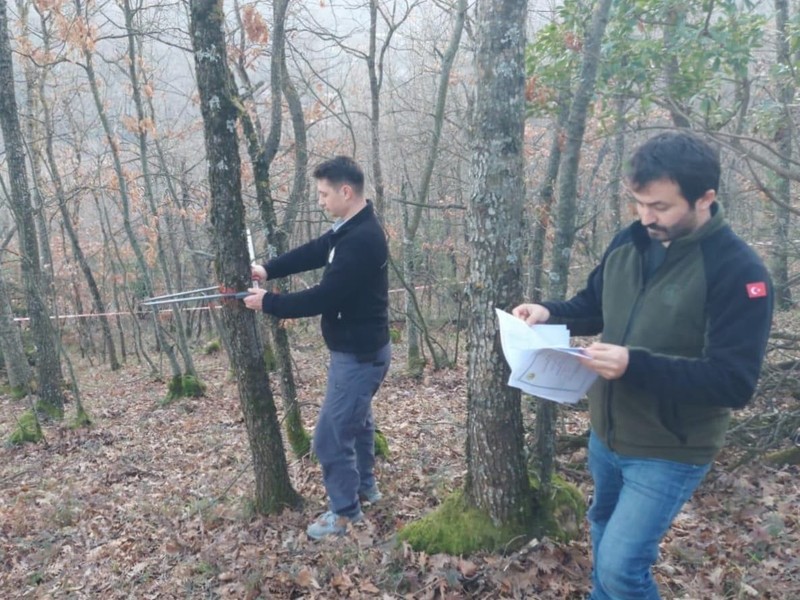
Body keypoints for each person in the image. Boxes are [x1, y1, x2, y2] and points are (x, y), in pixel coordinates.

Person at [512, 131, 773, 599]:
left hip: (669, 447)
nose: (646, 217)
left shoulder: (739, 270)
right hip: (607, 434)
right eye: (638, 202)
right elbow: (596, 304)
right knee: (601, 531)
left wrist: (634, 364)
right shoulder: (630, 242)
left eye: (660, 206)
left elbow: (735, 382)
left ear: (705, 198)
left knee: (621, 568)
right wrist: (551, 312)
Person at [243, 156, 391, 540]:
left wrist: (269, 303)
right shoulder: (349, 229)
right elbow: (316, 249)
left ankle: (345, 515)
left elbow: (323, 297)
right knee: (357, 422)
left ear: (346, 191)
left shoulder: (362, 241)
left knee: (328, 437)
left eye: (325, 194)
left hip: (359, 356)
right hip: (363, 349)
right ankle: (365, 487)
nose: (321, 201)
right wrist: (269, 270)